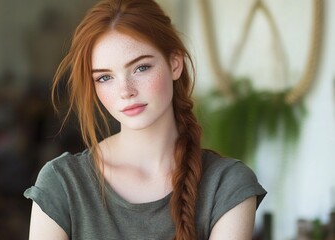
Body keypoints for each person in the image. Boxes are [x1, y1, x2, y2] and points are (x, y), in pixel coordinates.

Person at [24, 0, 267, 239]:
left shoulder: (226, 185)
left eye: (140, 68)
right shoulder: (62, 184)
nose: (125, 90)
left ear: (175, 64)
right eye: (105, 78)